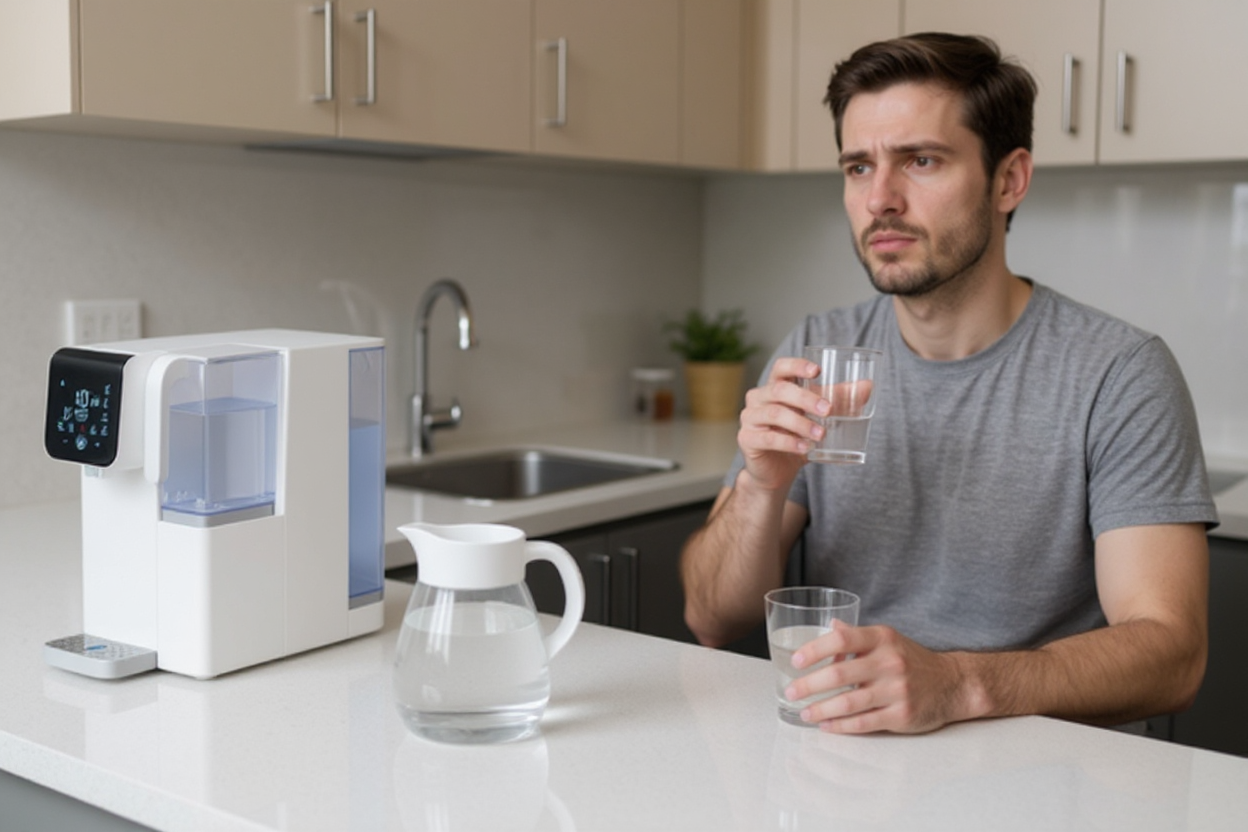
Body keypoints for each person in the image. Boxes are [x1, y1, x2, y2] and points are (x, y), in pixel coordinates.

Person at [680, 32, 1219, 735]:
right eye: (857, 166)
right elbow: (711, 617)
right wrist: (761, 487)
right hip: (852, 760)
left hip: (1051, 775)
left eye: (921, 160)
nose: (880, 199)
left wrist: (960, 683)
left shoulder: (1119, 373)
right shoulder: (818, 351)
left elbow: (1172, 655)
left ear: (1008, 180)